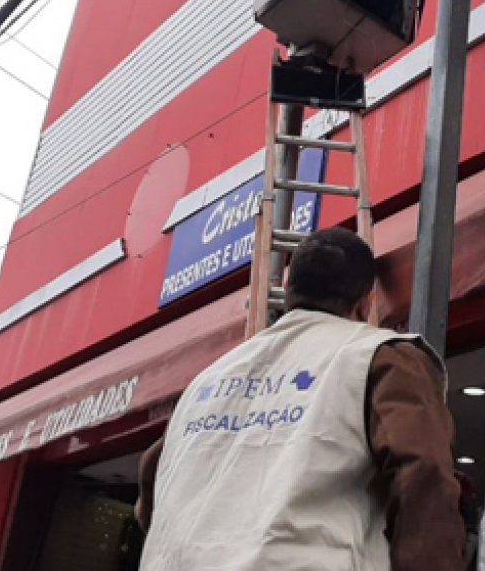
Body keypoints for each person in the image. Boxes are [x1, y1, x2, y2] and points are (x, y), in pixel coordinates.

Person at [136, 227, 466, 571]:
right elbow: (423, 476)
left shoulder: (208, 378)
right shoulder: (377, 356)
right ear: (366, 300)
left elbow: (151, 480)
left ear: (288, 292)